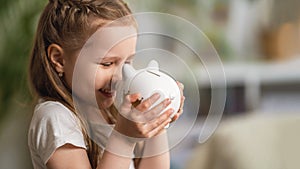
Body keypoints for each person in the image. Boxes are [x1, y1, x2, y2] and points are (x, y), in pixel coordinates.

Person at [27, 0, 185, 169]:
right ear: (59, 59)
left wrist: (158, 123)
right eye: (107, 63)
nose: (120, 76)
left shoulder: (112, 113)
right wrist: (123, 138)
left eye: (128, 62)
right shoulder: (56, 117)